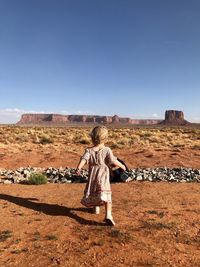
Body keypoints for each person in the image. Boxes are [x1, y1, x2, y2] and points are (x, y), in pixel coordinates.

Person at [76, 126, 126, 226]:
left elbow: (84, 159)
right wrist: (122, 166)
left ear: (92, 137)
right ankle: (108, 215)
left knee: (94, 191)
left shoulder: (89, 151)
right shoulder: (107, 150)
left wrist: (79, 168)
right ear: (105, 138)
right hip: (103, 175)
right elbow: (112, 160)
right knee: (106, 194)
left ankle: (96, 209)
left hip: (93, 175)